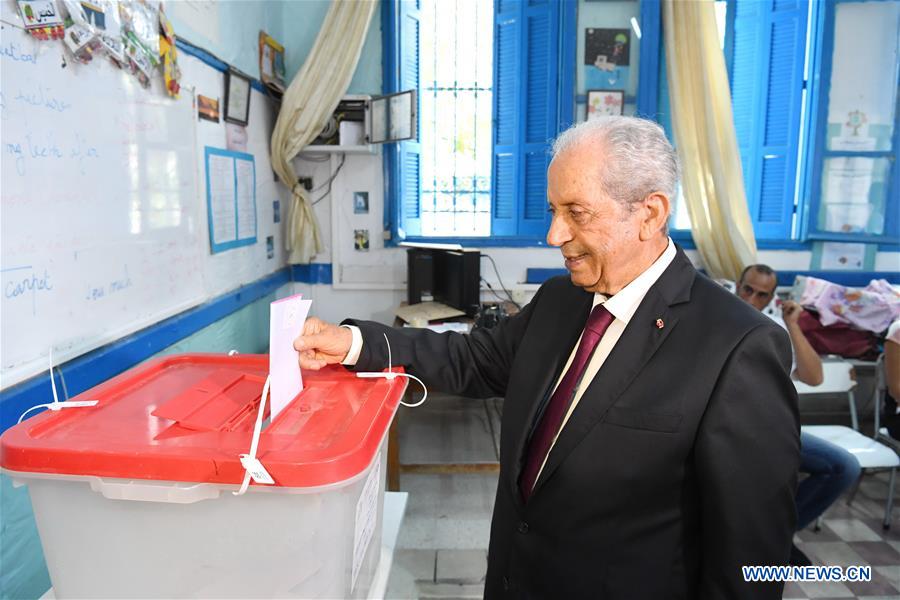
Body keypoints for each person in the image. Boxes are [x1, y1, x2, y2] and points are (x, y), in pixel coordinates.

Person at [295, 117, 799, 599]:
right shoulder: (561, 300)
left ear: (649, 214)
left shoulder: (738, 347)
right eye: (553, 211)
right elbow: (474, 359)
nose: (554, 235)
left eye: (577, 213)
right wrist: (356, 344)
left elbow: (749, 559)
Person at [737, 265, 861, 565]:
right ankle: (756, 540)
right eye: (748, 289)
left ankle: (776, 536)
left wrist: (793, 324)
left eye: (762, 294)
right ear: (737, 285)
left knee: (843, 466)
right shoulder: (716, 316)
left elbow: (814, 377)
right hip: (728, 430)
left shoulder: (774, 328)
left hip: (771, 431)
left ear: (771, 299)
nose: (752, 298)